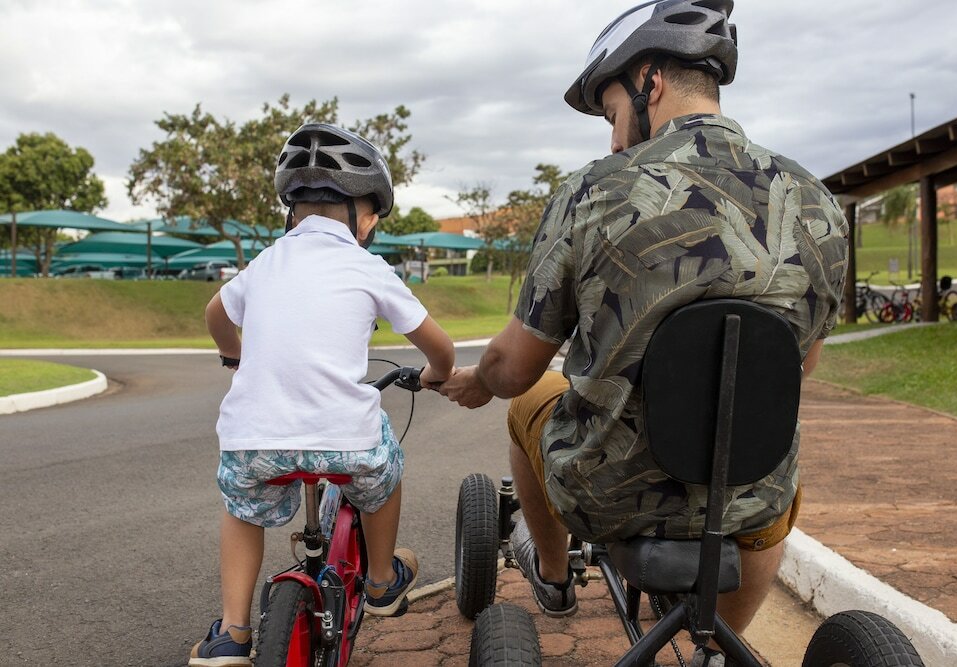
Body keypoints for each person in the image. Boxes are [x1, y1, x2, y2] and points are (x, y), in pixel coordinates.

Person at [438, 1, 847, 664]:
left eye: (610, 115)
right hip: (745, 494)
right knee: (778, 484)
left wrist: (478, 382)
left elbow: (514, 367)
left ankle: (553, 572)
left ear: (648, 82)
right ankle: (713, 646)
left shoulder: (594, 190)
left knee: (522, 404)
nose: (613, 140)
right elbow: (799, 364)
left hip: (610, 488)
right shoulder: (814, 199)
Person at [189, 123, 455, 666]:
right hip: (344, 441)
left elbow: (216, 313)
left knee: (242, 509)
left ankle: (232, 633)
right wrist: (436, 373)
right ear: (370, 217)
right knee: (383, 471)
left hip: (253, 443)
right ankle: (381, 582)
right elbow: (440, 347)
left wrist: (235, 356)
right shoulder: (369, 267)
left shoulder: (263, 264)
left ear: (291, 210)